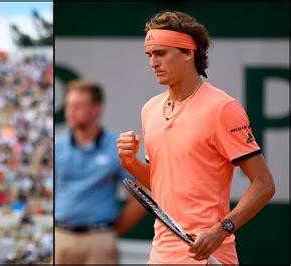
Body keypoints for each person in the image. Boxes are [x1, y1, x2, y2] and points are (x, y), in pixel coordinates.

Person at [117, 11, 275, 264]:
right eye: (150, 55)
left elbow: (264, 185)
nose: (152, 63)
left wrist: (222, 229)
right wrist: (131, 164)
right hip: (160, 255)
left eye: (161, 53)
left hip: (210, 254)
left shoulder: (223, 109)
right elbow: (165, 187)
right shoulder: (149, 110)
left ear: (188, 52)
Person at [55, 80, 146, 264]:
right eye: (68, 106)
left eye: (78, 106)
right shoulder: (57, 145)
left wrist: (113, 232)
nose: (70, 112)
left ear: (96, 109)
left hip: (99, 240)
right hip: (60, 237)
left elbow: (141, 196)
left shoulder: (116, 145)